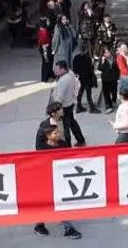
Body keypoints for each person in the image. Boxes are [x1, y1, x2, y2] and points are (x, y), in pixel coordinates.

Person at [34, 105, 83, 239]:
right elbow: (38, 148)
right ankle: (39, 224)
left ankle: (68, 226)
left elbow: (67, 140)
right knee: (47, 200)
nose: (58, 133)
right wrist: (53, 152)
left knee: (62, 199)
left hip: (61, 171)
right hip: (47, 172)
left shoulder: (62, 138)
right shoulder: (44, 127)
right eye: (55, 133)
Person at [52, 60, 86, 146]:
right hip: (70, 102)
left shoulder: (63, 80)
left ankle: (67, 145)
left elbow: (59, 97)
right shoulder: (70, 73)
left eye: (57, 69)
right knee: (72, 123)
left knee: (65, 127)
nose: (55, 71)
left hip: (64, 106)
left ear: (62, 69)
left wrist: (54, 108)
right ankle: (80, 139)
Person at [71, 43, 99, 114]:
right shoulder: (87, 58)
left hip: (79, 78)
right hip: (87, 78)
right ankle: (91, 107)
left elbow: (74, 69)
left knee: (80, 93)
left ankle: (79, 106)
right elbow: (90, 68)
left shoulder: (76, 58)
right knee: (88, 94)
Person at [98, 47, 120, 113]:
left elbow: (117, 68)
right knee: (106, 93)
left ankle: (113, 101)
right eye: (105, 53)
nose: (107, 54)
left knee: (114, 91)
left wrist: (117, 76)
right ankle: (108, 106)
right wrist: (102, 62)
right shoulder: (102, 60)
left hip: (113, 78)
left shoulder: (114, 58)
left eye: (108, 52)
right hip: (105, 79)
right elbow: (100, 68)